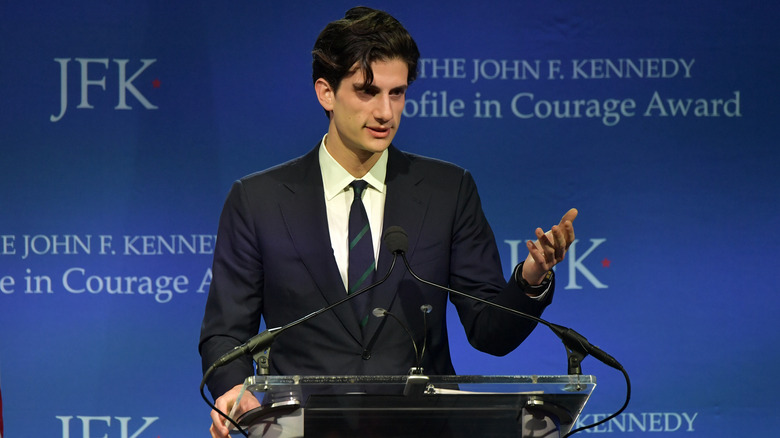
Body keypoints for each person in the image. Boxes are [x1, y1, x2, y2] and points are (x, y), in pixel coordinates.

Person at [199, 6, 577, 437]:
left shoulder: (447, 190)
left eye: (397, 93)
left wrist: (530, 280)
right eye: (368, 91)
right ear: (326, 92)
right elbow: (226, 334)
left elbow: (490, 333)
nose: (385, 112)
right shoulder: (258, 200)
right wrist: (233, 389)